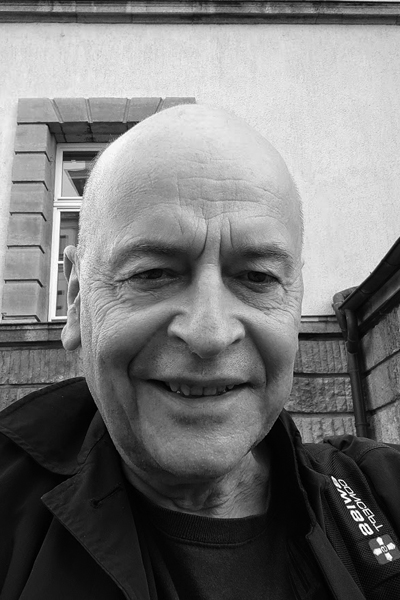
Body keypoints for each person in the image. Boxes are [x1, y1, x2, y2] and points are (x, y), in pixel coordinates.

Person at [0, 105, 400, 600]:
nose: (209, 334)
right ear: (77, 300)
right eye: (152, 273)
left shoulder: (384, 493)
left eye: (257, 277)